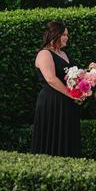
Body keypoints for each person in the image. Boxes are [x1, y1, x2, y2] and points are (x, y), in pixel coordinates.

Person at [31, 21, 81, 157]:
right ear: (55, 35)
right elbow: (51, 79)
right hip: (51, 102)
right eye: (64, 34)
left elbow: (75, 75)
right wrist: (72, 95)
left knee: (67, 138)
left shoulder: (64, 54)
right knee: (52, 137)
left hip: (67, 103)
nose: (67, 37)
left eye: (67, 35)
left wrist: (91, 73)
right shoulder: (44, 54)